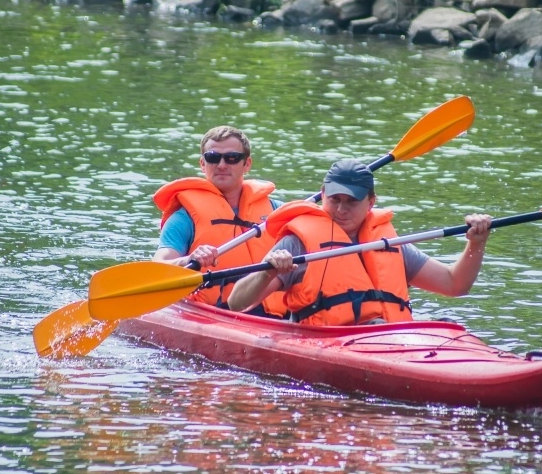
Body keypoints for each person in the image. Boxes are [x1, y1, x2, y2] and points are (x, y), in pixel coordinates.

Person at [228, 159, 492, 326]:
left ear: (371, 203)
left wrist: (476, 244)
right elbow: (237, 303)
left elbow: (454, 284)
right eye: (334, 199)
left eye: (352, 201)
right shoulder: (297, 243)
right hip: (327, 342)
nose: (341, 209)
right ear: (322, 195)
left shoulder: (387, 242)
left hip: (390, 339)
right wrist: (268, 273)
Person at [152, 125, 286, 317]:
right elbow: (158, 268)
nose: (222, 165)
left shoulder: (276, 212)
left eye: (232, 158)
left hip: (274, 316)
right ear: (202, 163)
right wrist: (189, 259)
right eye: (213, 157)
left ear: (247, 164)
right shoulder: (184, 217)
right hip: (211, 314)